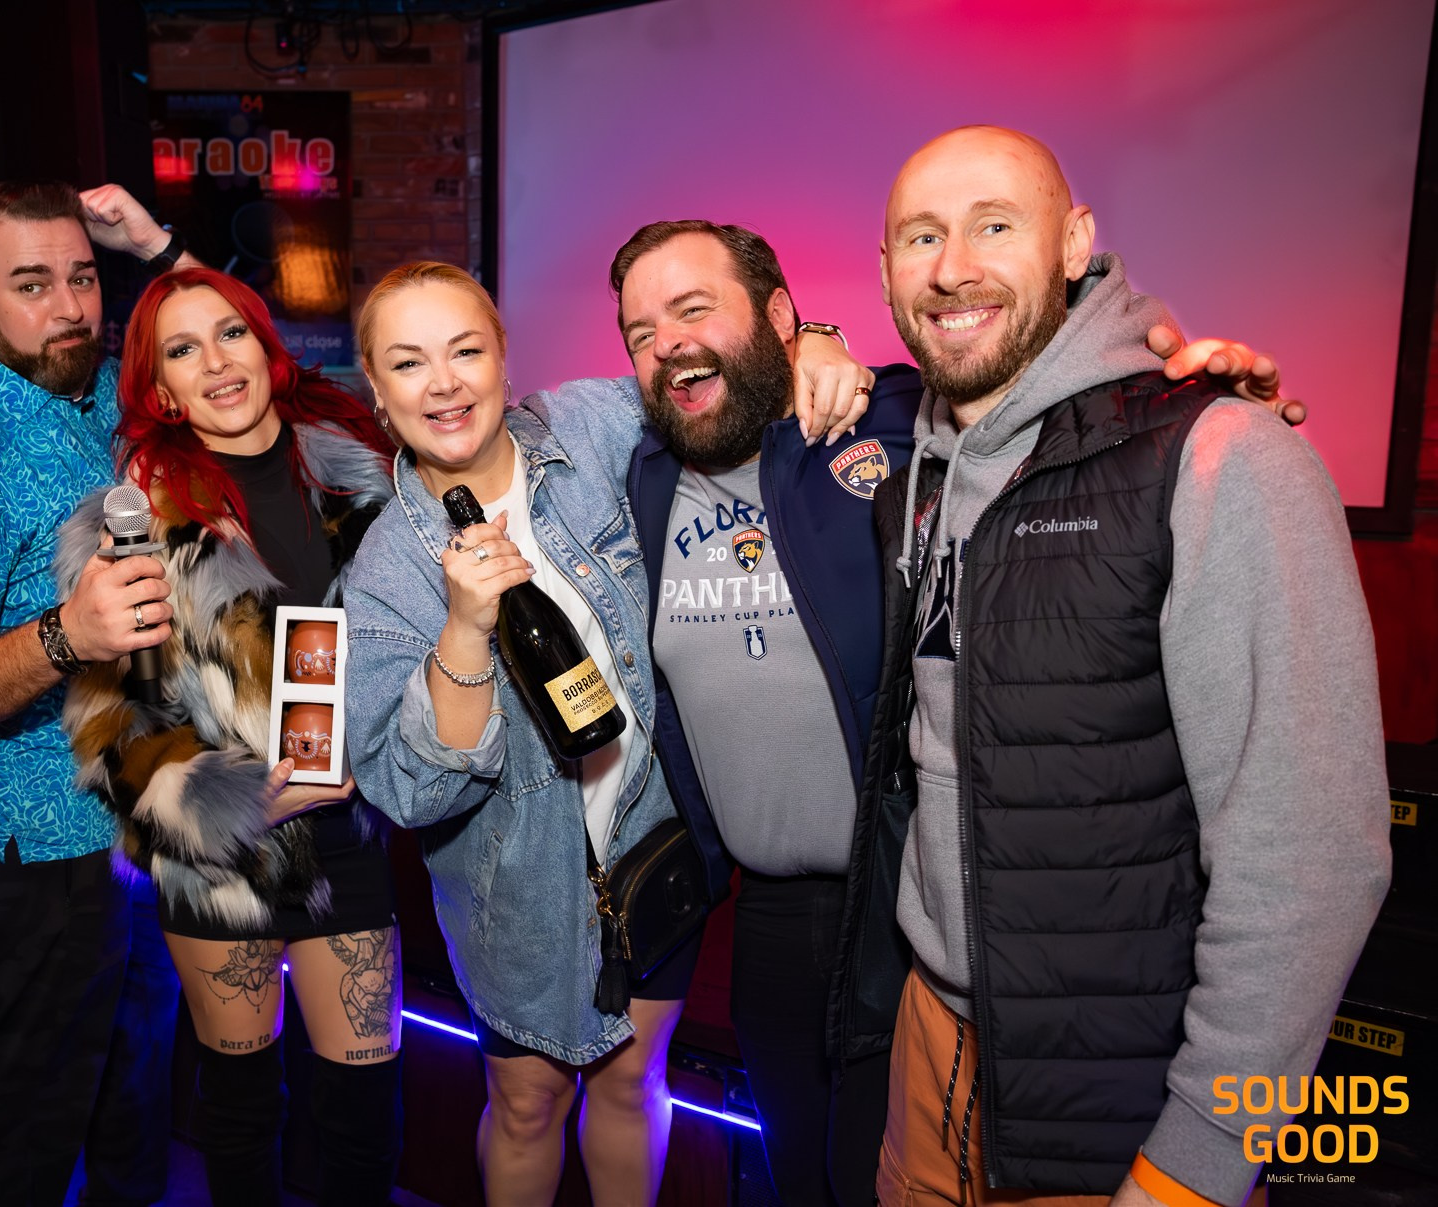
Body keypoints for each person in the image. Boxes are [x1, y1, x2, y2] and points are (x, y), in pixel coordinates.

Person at [609, 219, 1296, 1207]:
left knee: (898, 1178)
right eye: (639, 332)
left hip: (906, 902)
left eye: (691, 309)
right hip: (764, 914)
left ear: (775, 314)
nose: (667, 342)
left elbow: (1048, 397)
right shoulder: (642, 477)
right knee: (797, 1176)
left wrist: (1196, 405)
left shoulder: (890, 418)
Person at [855, 125, 1390, 1207]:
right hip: (931, 1044)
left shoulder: (1223, 456)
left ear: (1073, 243)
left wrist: (1198, 1161)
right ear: (884, 270)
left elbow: (1310, 860)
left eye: (993, 226)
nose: (951, 267)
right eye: (920, 237)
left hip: (1115, 1087)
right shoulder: (914, 468)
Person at [341, 261, 870, 1206]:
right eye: (409, 363)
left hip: (652, 849)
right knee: (526, 1103)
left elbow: (716, 376)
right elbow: (414, 793)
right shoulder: (385, 569)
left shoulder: (592, 425)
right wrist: (463, 626)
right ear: (377, 391)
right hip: (515, 896)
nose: (445, 383)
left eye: (466, 351)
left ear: (504, 358)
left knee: (632, 1082)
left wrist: (814, 343)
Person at [54, 266, 402, 1207]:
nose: (214, 361)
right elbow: (112, 732)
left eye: (230, 333)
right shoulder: (129, 527)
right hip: (223, 860)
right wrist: (238, 802)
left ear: (265, 346)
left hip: (351, 834)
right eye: (182, 349)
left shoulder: (369, 473)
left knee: (365, 1116)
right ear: (161, 388)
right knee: (243, 1109)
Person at [0, 180, 194, 1206]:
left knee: (134, 1103)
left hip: (125, 822)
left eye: (82, 277)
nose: (69, 308)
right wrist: (68, 634)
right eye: (30, 284)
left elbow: (236, 355)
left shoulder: (83, 382)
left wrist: (155, 246)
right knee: (25, 1126)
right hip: (34, 848)